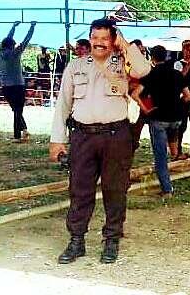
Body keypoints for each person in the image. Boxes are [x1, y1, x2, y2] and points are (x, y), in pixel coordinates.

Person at [50, 18, 150, 264]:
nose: (99, 43)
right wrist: (57, 140)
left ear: (113, 39)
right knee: (79, 189)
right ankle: (76, 240)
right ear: (90, 38)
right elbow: (63, 104)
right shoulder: (76, 66)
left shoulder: (123, 63)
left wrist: (123, 43)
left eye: (105, 38)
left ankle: (112, 239)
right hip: (82, 136)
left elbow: (143, 70)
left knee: (115, 189)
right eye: (95, 37)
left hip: (115, 136)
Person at [135, 45, 190, 197]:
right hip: (176, 117)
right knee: (172, 146)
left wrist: (145, 110)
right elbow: (187, 97)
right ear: (166, 56)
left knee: (160, 155)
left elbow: (135, 94)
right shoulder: (177, 74)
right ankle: (176, 155)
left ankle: (167, 189)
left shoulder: (150, 75)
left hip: (158, 117)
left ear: (152, 58)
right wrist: (178, 105)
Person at [0, 21, 36, 143]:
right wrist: (32, 27)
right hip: (18, 85)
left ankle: (24, 130)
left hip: (5, 86)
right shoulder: (15, 53)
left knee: (16, 110)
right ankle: (18, 135)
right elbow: (26, 40)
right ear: (12, 46)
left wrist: (13, 27)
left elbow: (8, 39)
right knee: (18, 110)